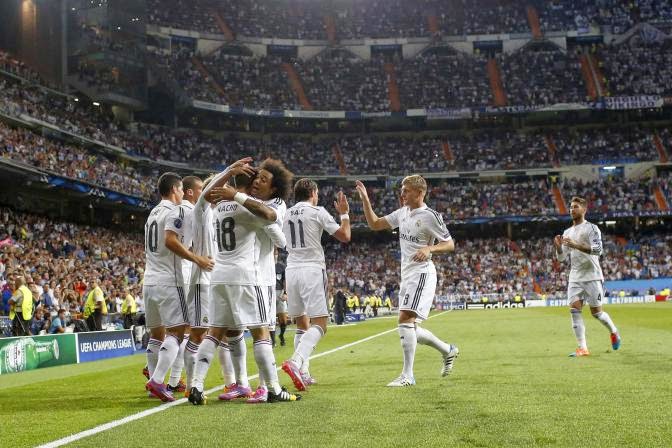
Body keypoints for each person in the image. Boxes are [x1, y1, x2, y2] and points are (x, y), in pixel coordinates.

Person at [189, 168, 299, 405]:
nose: (258, 183)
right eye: (256, 179)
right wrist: (244, 199)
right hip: (245, 276)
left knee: (214, 333)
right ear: (249, 185)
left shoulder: (217, 209)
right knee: (261, 332)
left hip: (219, 275)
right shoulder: (250, 208)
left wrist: (228, 173)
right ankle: (273, 389)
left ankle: (196, 386)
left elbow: (204, 199)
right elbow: (279, 235)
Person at [355, 176, 459, 387]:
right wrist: (365, 199)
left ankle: (408, 375)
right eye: (402, 190)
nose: (402, 194)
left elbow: (449, 244)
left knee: (404, 319)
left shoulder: (430, 216)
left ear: (420, 193)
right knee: (410, 327)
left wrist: (430, 248)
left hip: (422, 273)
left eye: (406, 190)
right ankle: (447, 350)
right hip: (407, 274)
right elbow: (374, 224)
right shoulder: (402, 213)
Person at [144, 172, 214, 402]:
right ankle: (159, 381)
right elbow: (170, 240)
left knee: (157, 335)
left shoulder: (153, 213)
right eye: (181, 189)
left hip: (149, 280)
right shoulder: (176, 211)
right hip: (169, 279)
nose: (183, 193)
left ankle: (156, 383)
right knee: (178, 331)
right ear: (175, 189)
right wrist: (197, 259)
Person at [281, 179, 351, 391]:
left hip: (291, 270)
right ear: (312, 192)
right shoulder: (317, 211)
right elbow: (345, 236)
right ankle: (295, 362)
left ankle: (304, 372)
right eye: (317, 193)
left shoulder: (286, 213)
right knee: (320, 324)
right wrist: (344, 214)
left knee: (301, 324)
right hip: (311, 269)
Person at [553, 196, 621, 357]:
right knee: (574, 310)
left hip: (592, 276)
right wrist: (559, 248)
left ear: (584, 209)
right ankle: (583, 348)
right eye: (571, 207)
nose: (572, 209)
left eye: (575, 207)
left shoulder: (592, 228)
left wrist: (576, 245)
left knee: (597, 313)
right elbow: (561, 258)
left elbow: (598, 250)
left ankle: (614, 331)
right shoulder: (567, 232)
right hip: (575, 277)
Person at [166, 175, 203, 395]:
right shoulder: (187, 210)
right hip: (186, 272)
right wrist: (196, 258)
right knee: (189, 330)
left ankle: (172, 379)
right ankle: (173, 380)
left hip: (180, 271)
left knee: (182, 330)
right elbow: (174, 241)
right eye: (200, 189)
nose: (202, 193)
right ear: (189, 191)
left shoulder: (187, 211)